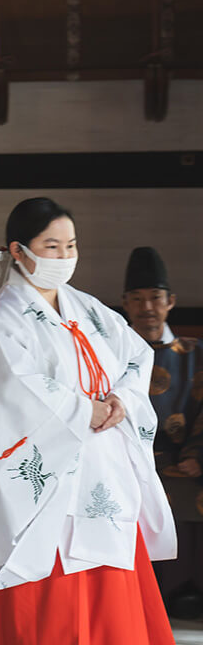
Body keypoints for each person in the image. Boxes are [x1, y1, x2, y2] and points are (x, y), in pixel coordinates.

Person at [0, 197, 177, 645]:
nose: (65, 257)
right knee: (43, 602)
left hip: (100, 468)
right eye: (51, 245)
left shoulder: (87, 309)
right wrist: (82, 409)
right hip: (39, 480)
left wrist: (121, 401)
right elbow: (9, 388)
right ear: (18, 250)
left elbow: (136, 358)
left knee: (108, 590)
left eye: (71, 245)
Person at [122, 246, 203, 618]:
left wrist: (196, 455)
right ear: (125, 304)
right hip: (124, 463)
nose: (147, 308)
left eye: (155, 298)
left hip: (184, 462)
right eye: (137, 299)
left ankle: (188, 591)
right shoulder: (111, 353)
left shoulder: (195, 354)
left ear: (170, 301)